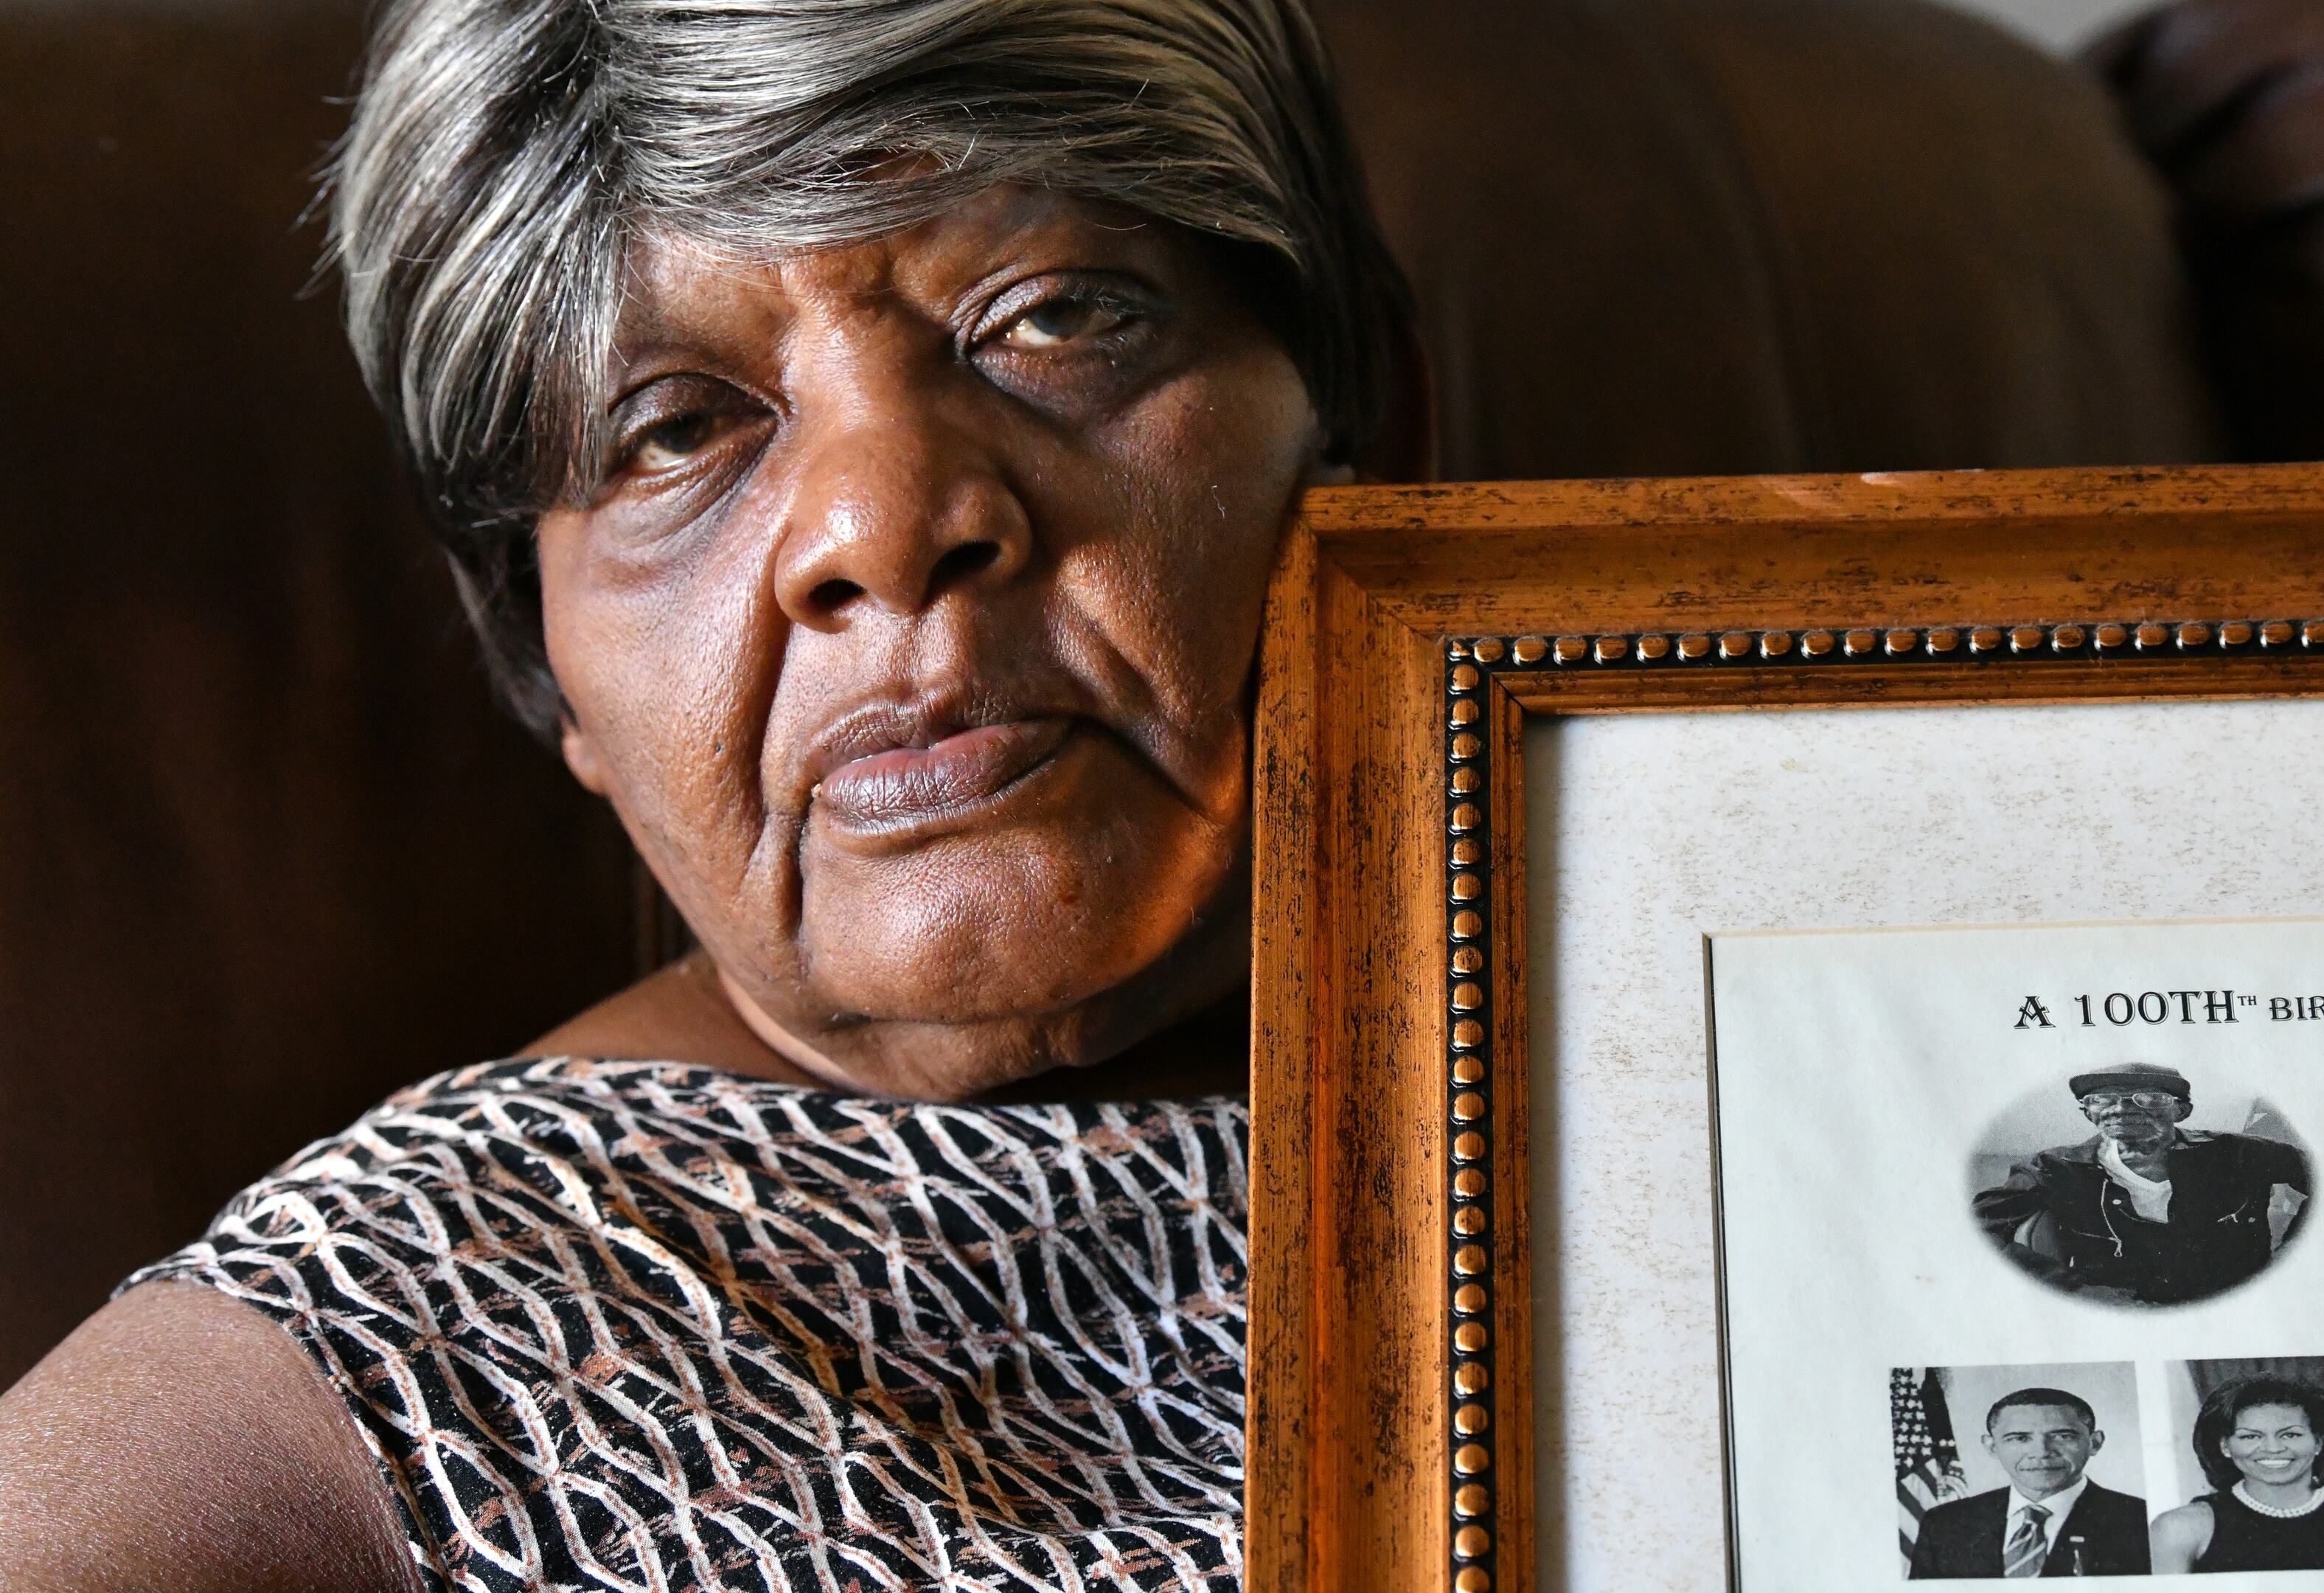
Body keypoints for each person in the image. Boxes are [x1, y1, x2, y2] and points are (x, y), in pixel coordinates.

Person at [0, 1, 1422, 1587]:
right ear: (540, 663)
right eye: (674, 430)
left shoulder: (1676, 989)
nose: (879, 528)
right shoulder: (392, 1346)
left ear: (1369, 420)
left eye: (1052, 318)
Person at [1972, 1063, 2311, 1306]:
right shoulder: (2054, 1167)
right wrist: (2070, 1288)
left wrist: (2292, 1253)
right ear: (2088, 1114)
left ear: (2182, 1111)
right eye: (2102, 1099)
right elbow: (1977, 1228)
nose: (2121, 1109)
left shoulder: (2239, 1152)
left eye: (2147, 1098)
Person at [2150, 1376, 2324, 1573]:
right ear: (2225, 1447)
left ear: (2318, 1443)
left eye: (2291, 1434)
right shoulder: (2180, 1529)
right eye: (2250, 1436)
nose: (2273, 1448)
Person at [1910, 1387, 2153, 1579]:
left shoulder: (2142, 1521)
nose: (2041, 1452)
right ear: (1992, 1447)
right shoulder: (1944, 1524)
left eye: (2062, 1436)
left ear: (2094, 1443)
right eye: (2020, 1438)